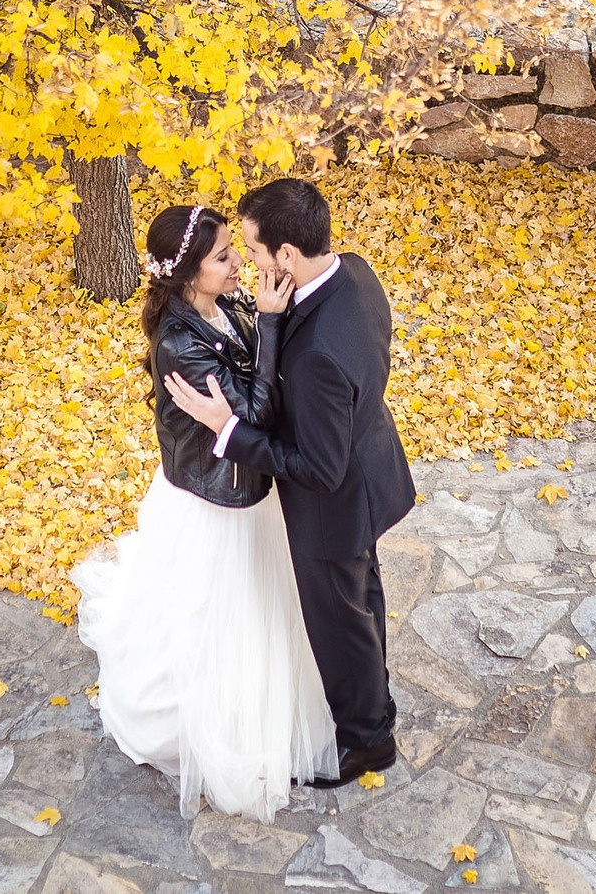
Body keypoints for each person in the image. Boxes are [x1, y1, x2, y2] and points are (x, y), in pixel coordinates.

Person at [71, 204, 340, 820]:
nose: (238, 261)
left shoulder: (226, 307)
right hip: (214, 504)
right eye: (223, 255)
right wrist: (270, 326)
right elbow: (252, 412)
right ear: (190, 273)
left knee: (265, 612)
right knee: (208, 619)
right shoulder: (178, 347)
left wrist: (272, 319)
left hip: (251, 489)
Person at [164, 177, 416, 789]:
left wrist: (228, 430)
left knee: (340, 624)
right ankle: (374, 707)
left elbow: (316, 468)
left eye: (251, 250)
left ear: (285, 254)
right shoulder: (352, 273)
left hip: (332, 506)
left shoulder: (319, 356)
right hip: (370, 469)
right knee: (363, 603)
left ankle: (366, 744)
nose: (248, 264)